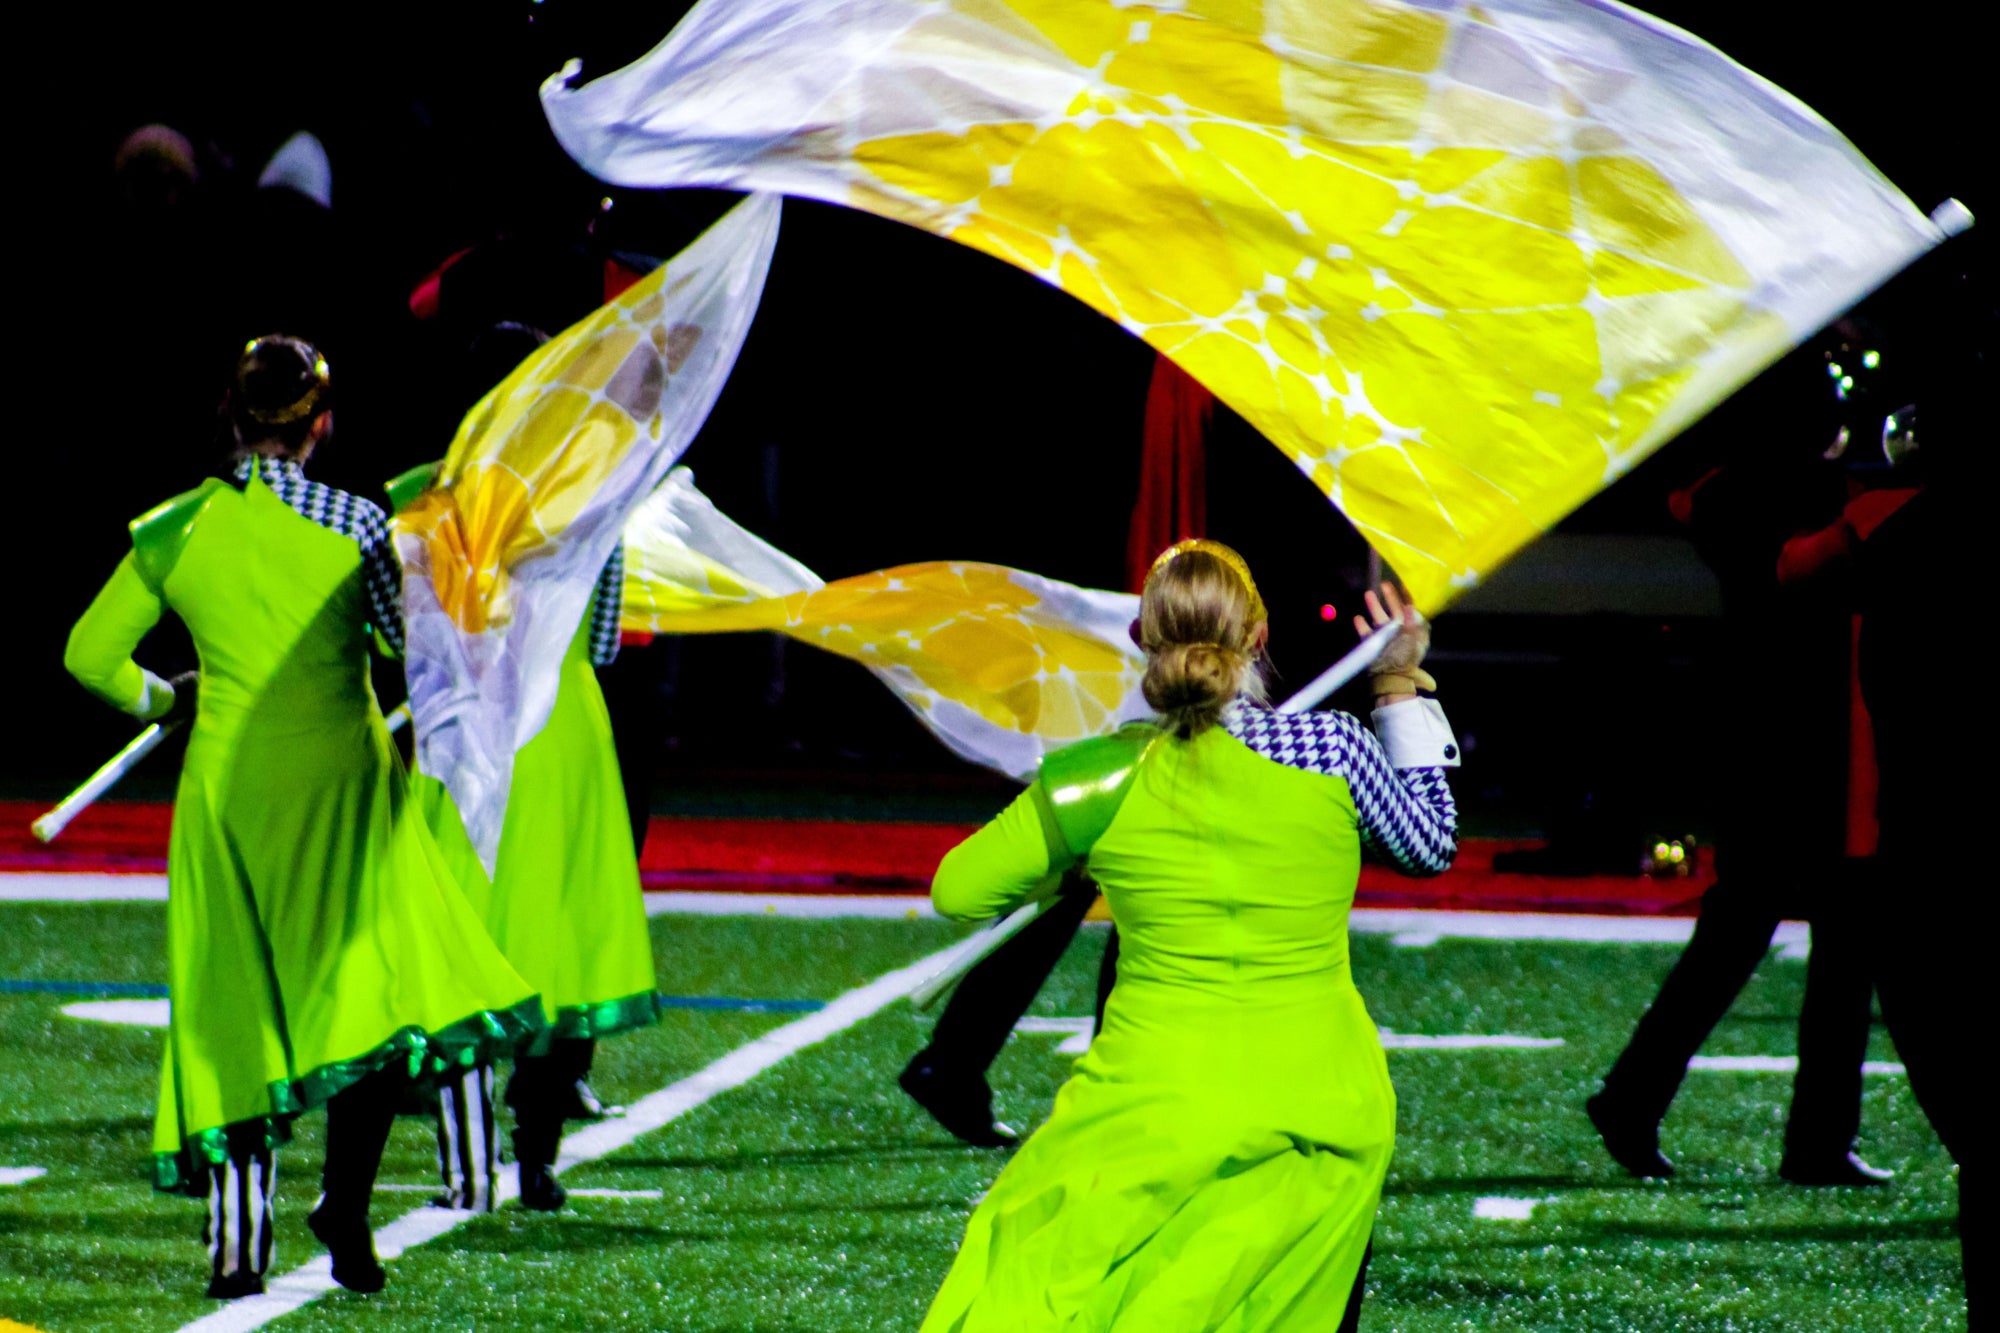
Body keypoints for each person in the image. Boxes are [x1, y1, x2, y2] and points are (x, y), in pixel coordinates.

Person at [62, 336, 543, 1298]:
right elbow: (400, 640)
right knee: (367, 995)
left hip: (226, 791)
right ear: (321, 423)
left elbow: (87, 655)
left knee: (231, 1009)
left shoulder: (173, 530)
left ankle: (237, 1250)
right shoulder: (360, 521)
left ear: (232, 417)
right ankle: (346, 1209)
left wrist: (168, 698)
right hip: (340, 782)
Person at [921, 541, 1458, 1332]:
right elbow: (1430, 843)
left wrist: (1071, 848)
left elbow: (957, 892)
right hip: (1323, 1107)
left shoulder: (1097, 778)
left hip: (1147, 1118)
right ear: (1259, 635)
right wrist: (1397, 683)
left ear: (1142, 638)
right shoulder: (1334, 752)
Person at [390, 322, 659, 1214]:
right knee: (556, 947)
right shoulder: (597, 493)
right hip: (560, 730)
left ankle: (461, 1156)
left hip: (466, 726)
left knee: (464, 935)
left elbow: (402, 636)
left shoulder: (427, 493)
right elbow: (610, 640)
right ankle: (536, 1158)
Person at [1586, 395, 1885, 1187]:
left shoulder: (1728, 489)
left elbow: (1696, 500)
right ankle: (1813, 1139)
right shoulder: (1815, 497)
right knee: (1835, 938)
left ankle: (1637, 1097)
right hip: (1821, 733)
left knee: (1747, 931)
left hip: (1766, 731)